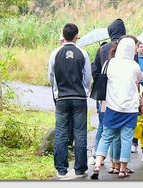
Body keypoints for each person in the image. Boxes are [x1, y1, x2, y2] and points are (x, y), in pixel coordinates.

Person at [91, 37, 143, 180]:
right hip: (130, 109)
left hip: (113, 107)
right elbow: (140, 77)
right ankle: (122, 170)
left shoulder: (110, 63)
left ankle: (97, 165)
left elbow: (104, 76)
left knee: (106, 136)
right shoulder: (134, 66)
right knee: (126, 139)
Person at [48, 23, 92, 180]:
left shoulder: (55, 53)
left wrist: (57, 90)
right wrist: (84, 89)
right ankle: (80, 169)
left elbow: (51, 76)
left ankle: (61, 169)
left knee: (61, 132)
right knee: (80, 132)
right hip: (79, 97)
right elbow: (87, 76)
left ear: (63, 35)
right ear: (76, 36)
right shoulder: (83, 53)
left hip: (62, 98)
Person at [91, 19, 127, 162]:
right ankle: (116, 161)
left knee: (103, 125)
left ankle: (97, 156)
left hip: (104, 94)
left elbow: (95, 71)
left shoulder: (102, 49)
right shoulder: (128, 47)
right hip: (122, 94)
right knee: (121, 128)